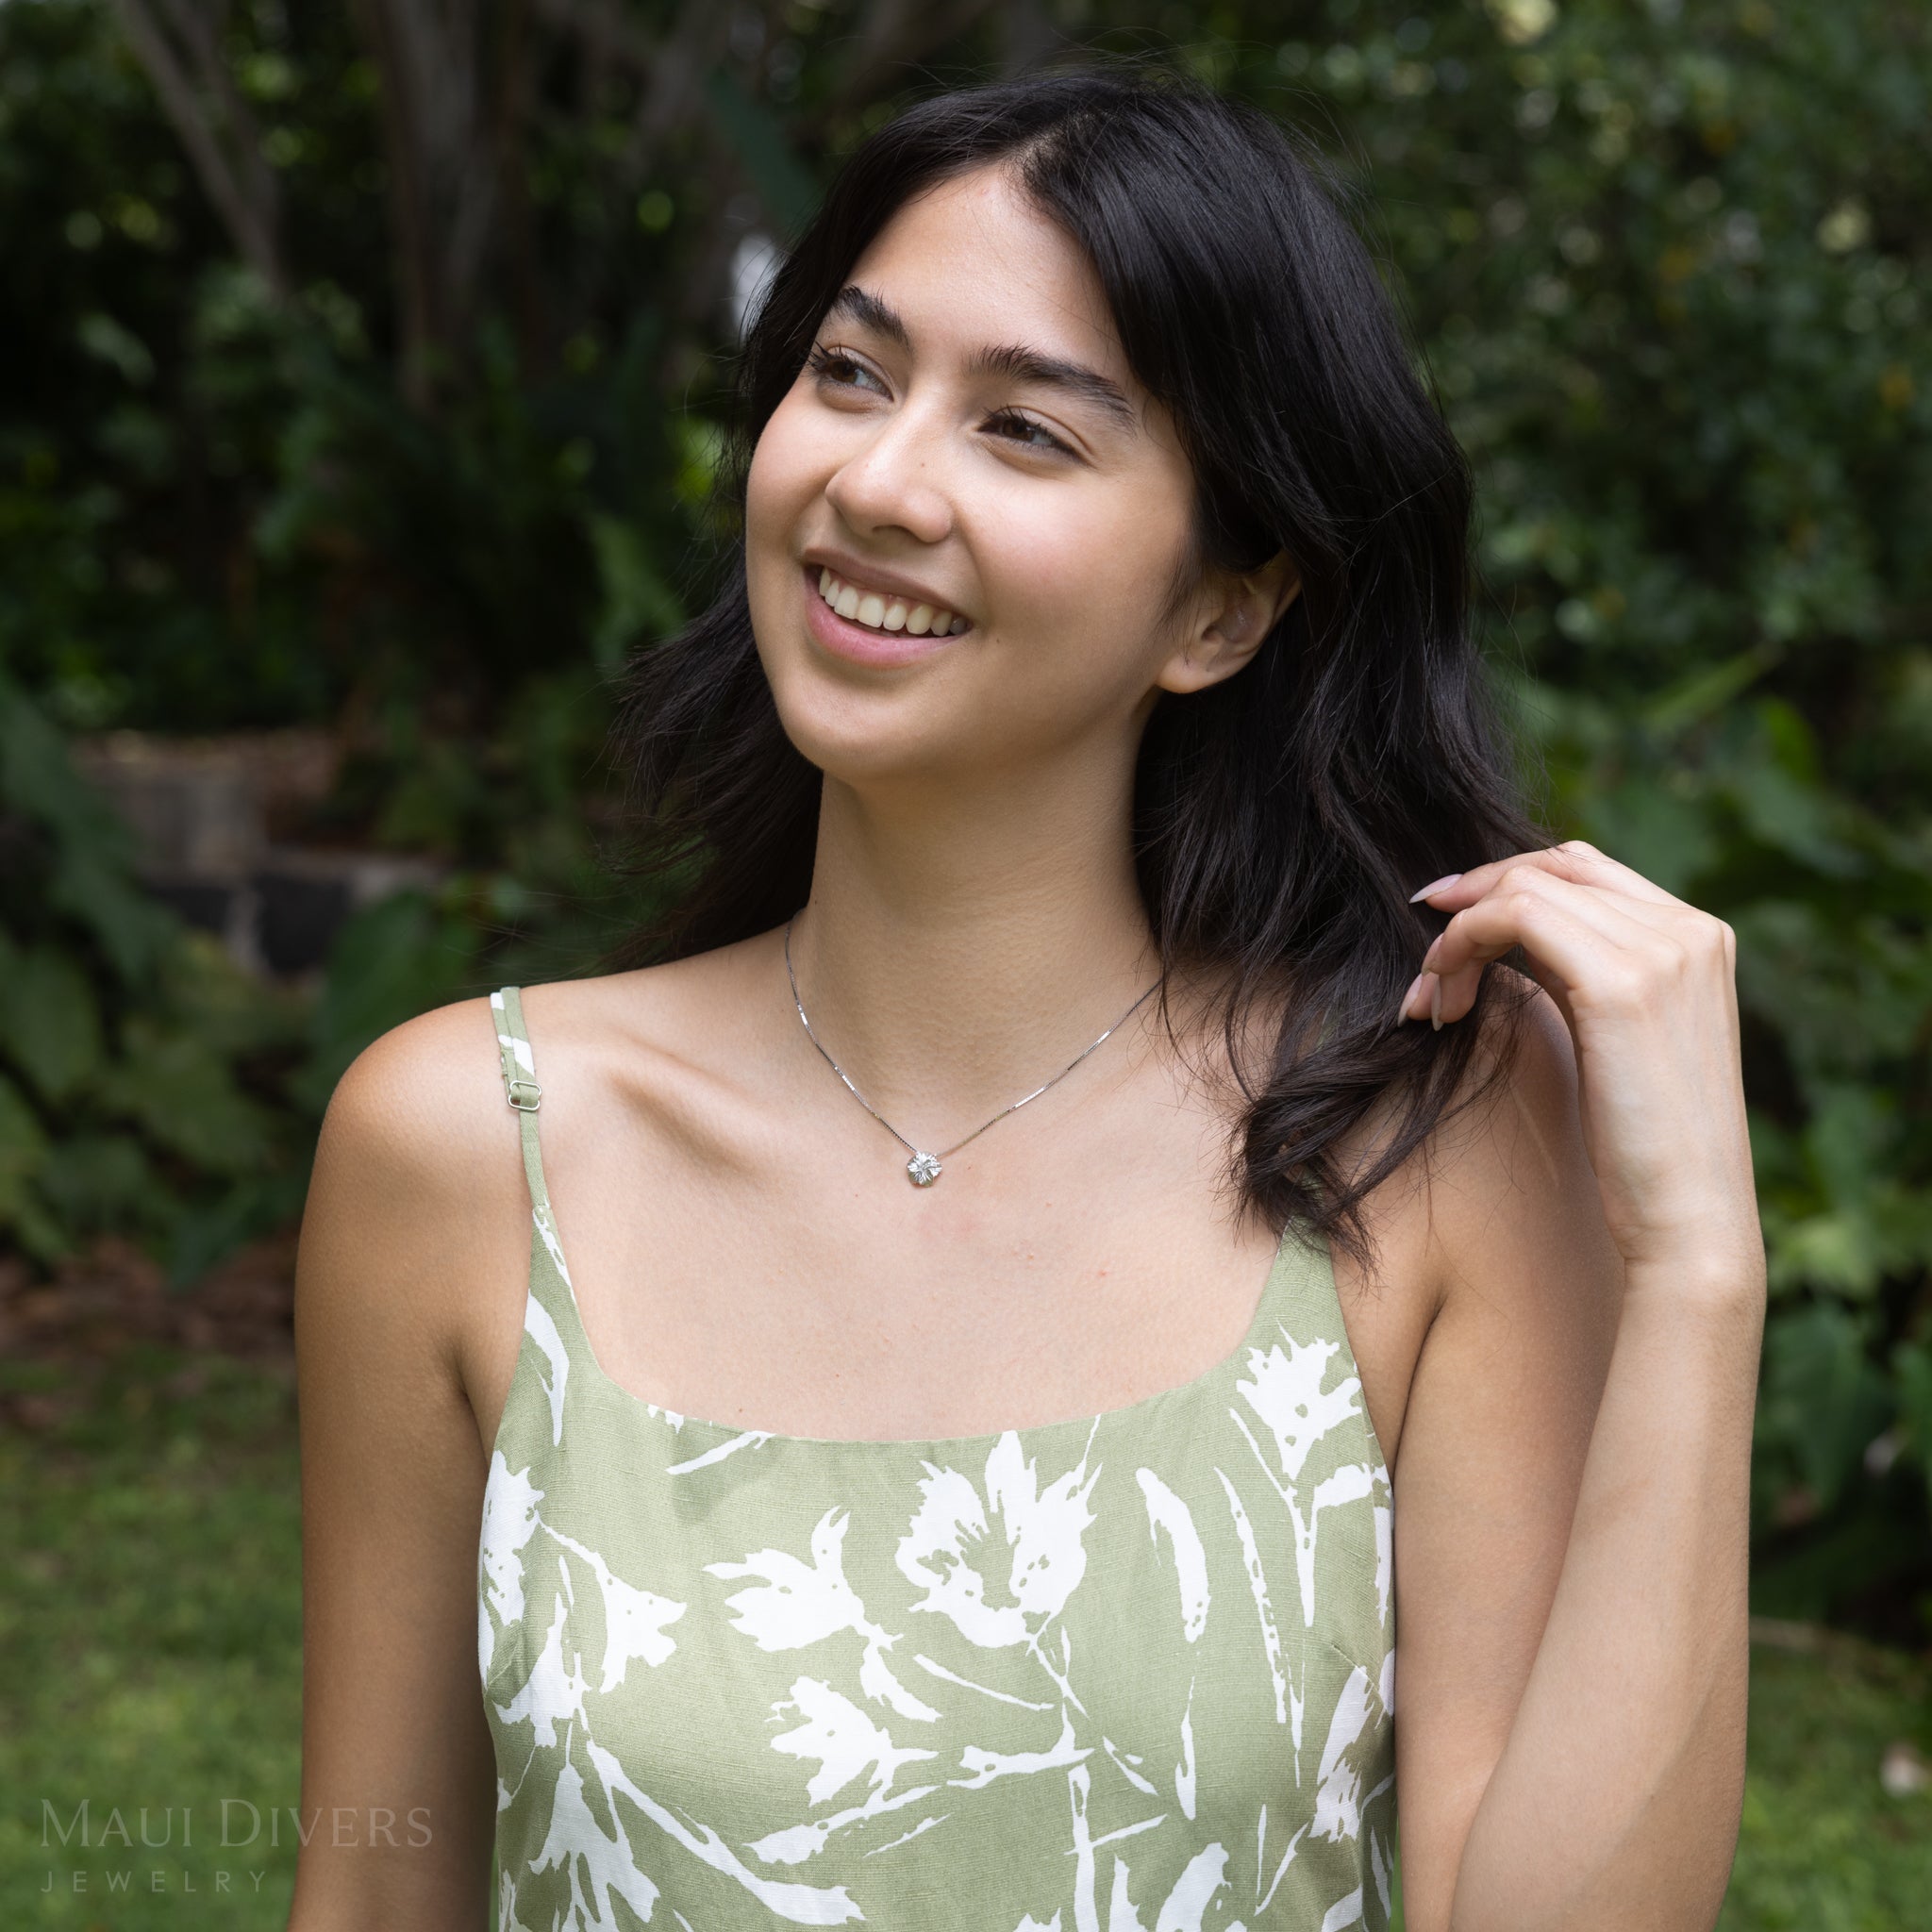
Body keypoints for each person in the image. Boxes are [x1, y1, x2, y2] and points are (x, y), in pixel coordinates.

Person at [287, 67, 1764, 1932]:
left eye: (1026, 432)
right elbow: (372, 1894)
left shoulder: (1410, 1150)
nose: (880, 482)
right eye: (850, 372)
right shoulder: (461, 1148)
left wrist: (1698, 1272)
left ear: (1220, 611)